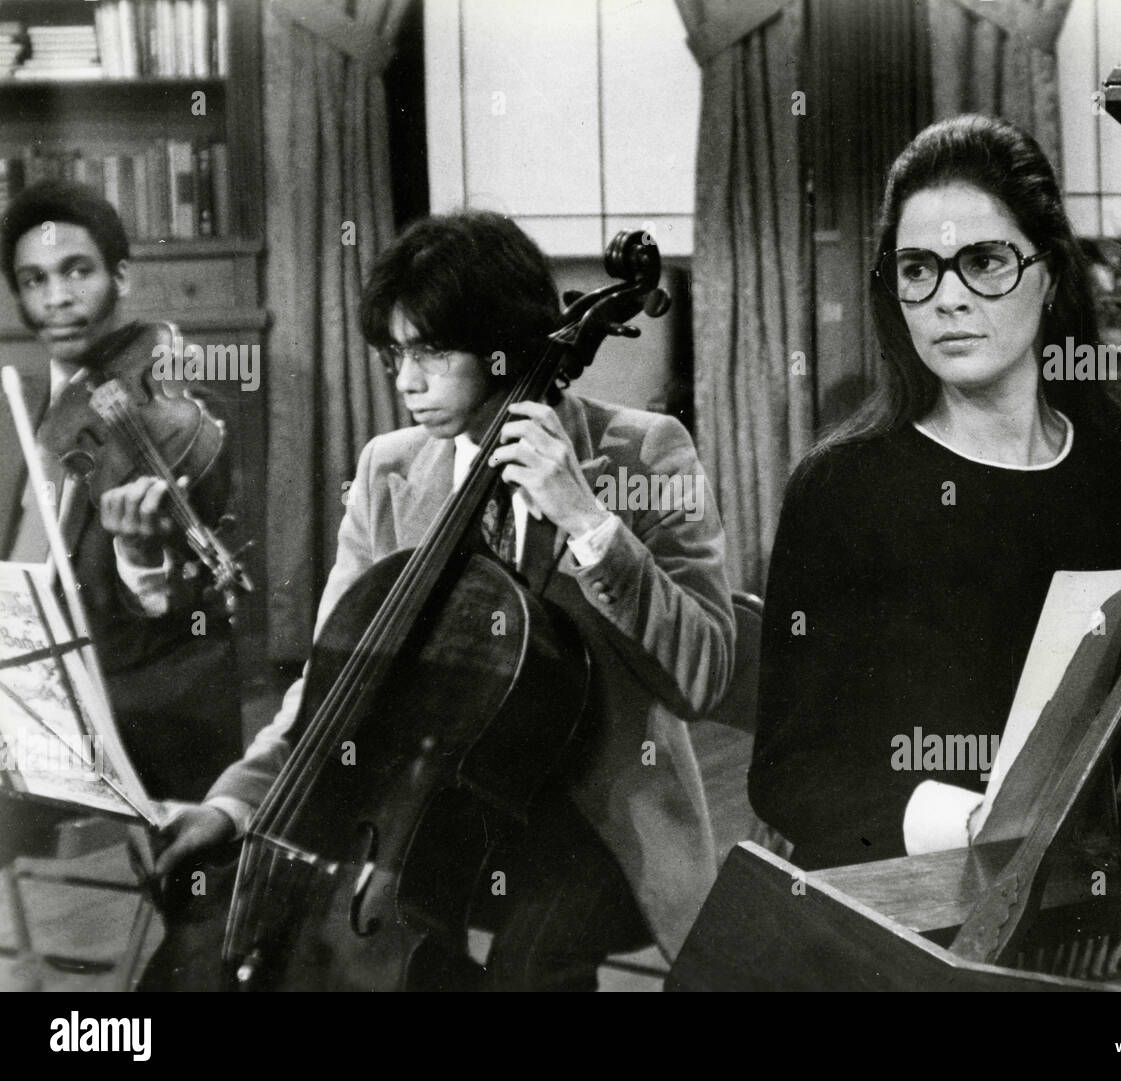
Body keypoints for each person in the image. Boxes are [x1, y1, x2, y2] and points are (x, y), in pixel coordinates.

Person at [151, 211, 735, 990]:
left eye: (431, 351)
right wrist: (230, 807)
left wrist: (590, 522)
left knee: (528, 969)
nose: (407, 381)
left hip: (589, 819)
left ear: (507, 343)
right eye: (396, 354)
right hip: (423, 806)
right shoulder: (389, 470)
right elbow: (331, 684)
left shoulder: (646, 452)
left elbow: (706, 674)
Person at [750, 115, 1121, 872]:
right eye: (919, 269)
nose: (947, 298)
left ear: (1049, 275)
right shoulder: (840, 490)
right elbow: (791, 775)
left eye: (983, 261)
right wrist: (975, 821)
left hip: (1090, 879)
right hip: (901, 898)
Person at [0, 180, 242, 805]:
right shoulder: (14, 412)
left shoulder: (182, 411)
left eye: (76, 271)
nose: (57, 298)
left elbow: (191, 604)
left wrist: (140, 558)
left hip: (132, 687)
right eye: (34, 280)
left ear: (122, 277)